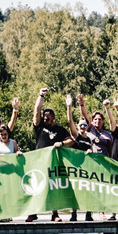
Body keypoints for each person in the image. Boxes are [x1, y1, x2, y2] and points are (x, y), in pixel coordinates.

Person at [28, 87, 73, 222]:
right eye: (44, 114)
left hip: (53, 163)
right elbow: (36, 111)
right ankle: (33, 213)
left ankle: (54, 214)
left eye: (48, 114)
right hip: (39, 162)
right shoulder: (40, 127)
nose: (45, 116)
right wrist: (40, 95)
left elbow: (71, 141)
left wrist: (62, 143)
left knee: (53, 187)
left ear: (53, 117)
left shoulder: (60, 130)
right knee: (36, 186)